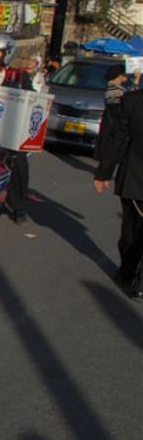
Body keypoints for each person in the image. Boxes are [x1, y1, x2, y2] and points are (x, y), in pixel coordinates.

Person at [0, 33, 39, 225]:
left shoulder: (18, 76)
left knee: (19, 162)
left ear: (7, 53)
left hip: (8, 130)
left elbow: (33, 100)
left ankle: (17, 206)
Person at [94, 78, 143, 298]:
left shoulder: (131, 101)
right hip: (134, 177)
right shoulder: (131, 101)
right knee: (131, 230)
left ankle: (127, 272)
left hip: (134, 178)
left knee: (131, 228)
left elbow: (119, 140)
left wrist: (104, 172)